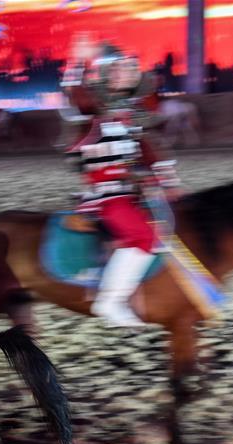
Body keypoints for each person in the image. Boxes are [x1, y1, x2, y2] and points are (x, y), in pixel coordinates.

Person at [61, 36, 181, 327]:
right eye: (116, 70)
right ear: (104, 76)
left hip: (130, 191)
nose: (123, 74)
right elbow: (75, 94)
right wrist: (77, 61)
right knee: (144, 238)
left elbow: (146, 150)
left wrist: (166, 180)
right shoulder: (95, 107)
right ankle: (110, 301)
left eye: (128, 70)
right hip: (104, 194)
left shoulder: (132, 114)